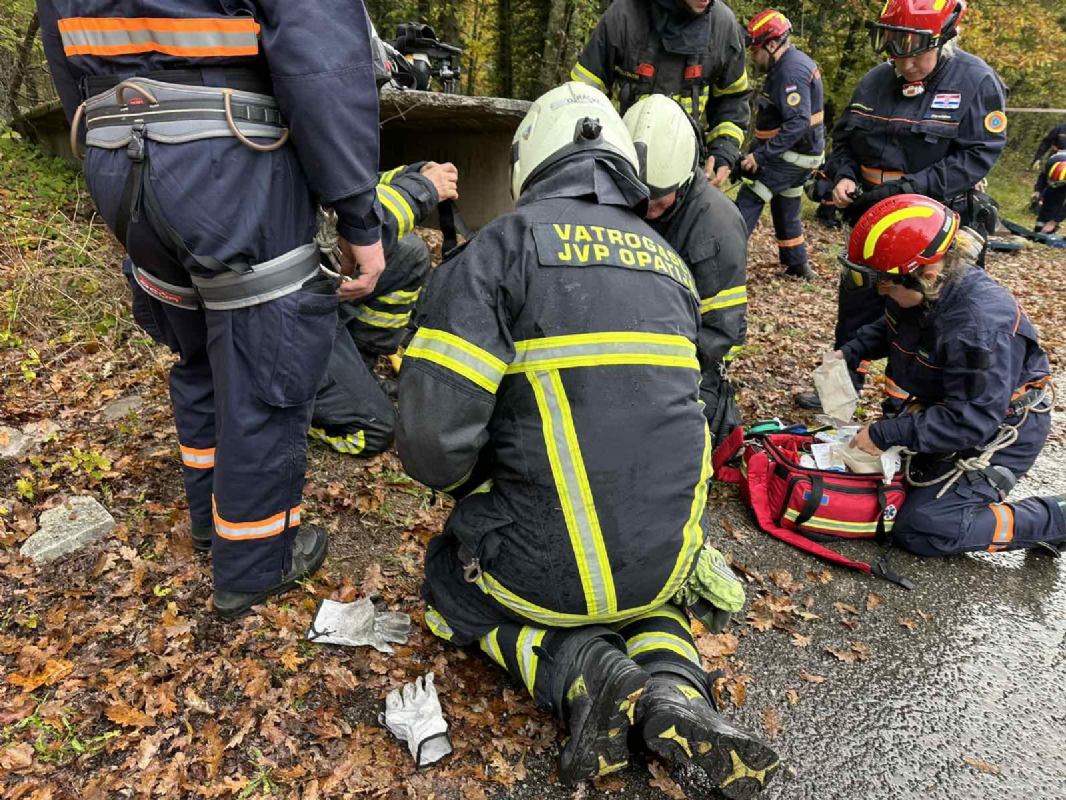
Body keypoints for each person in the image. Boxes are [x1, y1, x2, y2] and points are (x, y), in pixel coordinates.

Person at [396, 82, 779, 796]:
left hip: (547, 571)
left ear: (530, 162)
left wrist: (484, 484)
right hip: (665, 559)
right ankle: (675, 695)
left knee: (451, 586)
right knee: (649, 605)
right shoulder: (670, 266)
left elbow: (429, 445)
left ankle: (585, 677)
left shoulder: (494, 254)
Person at [38, 0, 386, 618]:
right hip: (228, 147)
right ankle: (256, 562)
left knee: (196, 352)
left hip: (116, 148)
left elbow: (62, 51)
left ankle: (211, 520)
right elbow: (319, 59)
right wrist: (359, 212)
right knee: (264, 363)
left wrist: (99, 146)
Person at [795, 0, 1007, 409]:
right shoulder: (876, 80)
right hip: (870, 220)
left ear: (943, 40)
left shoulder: (976, 81)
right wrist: (842, 175)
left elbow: (977, 155)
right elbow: (844, 140)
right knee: (856, 308)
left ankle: (906, 408)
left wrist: (908, 190)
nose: (903, 61)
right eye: (893, 46)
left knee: (924, 317)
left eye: (913, 51)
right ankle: (838, 398)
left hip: (929, 228)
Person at [838, 194, 1064, 557]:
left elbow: (972, 418)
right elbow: (895, 325)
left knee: (924, 526)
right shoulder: (926, 289)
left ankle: (1054, 518)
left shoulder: (979, 328)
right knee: (879, 482)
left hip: (1000, 424)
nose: (882, 291)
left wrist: (886, 433)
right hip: (951, 407)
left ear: (926, 275)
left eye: (886, 284)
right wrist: (851, 351)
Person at [622, 94, 748, 445]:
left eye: (657, 200)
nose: (645, 209)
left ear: (682, 178)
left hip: (685, 356)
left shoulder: (716, 227)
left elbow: (721, 334)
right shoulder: (623, 189)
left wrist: (651, 370)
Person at [309, 161, 457, 457]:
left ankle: (359, 365)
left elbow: (351, 189)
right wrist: (422, 189)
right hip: (284, 312)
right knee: (373, 431)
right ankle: (304, 409)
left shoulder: (295, 138)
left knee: (409, 254)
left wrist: (412, 173)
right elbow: (361, 229)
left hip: (315, 291)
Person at [570, 0, 751, 189]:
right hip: (622, 164)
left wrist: (724, 148)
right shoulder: (624, 16)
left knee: (725, 217)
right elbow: (582, 96)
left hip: (687, 172)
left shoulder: (724, 27)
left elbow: (733, 99)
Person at [734, 10, 824, 281]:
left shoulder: (790, 71)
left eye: (756, 48)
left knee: (750, 195)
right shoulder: (789, 65)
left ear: (771, 44)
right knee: (786, 204)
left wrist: (759, 157)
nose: (753, 54)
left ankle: (725, 260)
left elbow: (797, 123)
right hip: (800, 155)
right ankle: (797, 264)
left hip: (792, 155)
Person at [1030, 152, 1066, 236]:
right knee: (1052, 197)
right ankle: (1040, 230)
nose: (1054, 185)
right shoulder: (1052, 161)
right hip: (1058, 176)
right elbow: (1042, 176)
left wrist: (1054, 221)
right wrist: (1038, 190)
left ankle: (1051, 226)